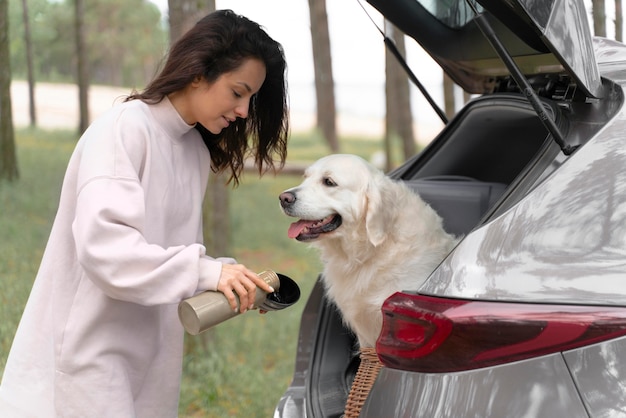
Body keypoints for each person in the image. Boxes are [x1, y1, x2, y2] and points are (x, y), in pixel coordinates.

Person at [0, 9, 289, 417]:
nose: (243, 111)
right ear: (197, 72)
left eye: (250, 99)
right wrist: (208, 272)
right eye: (237, 92)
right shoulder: (124, 129)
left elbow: (168, 257)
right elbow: (108, 252)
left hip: (151, 361)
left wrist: (232, 280)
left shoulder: (191, 151)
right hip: (89, 359)